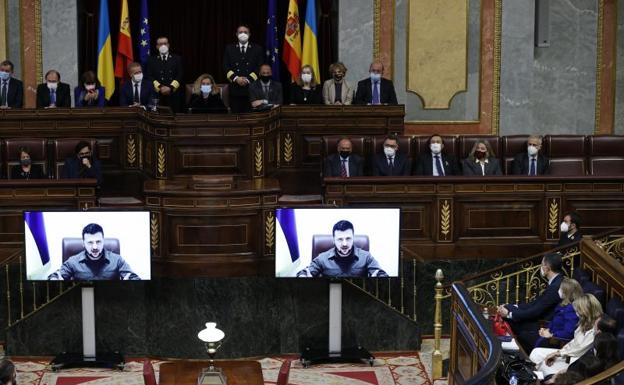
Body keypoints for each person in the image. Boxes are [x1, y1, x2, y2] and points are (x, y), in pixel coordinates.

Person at [497, 253, 564, 351]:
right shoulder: (557, 281)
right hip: (540, 318)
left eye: (542, 265)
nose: (541, 267)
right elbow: (535, 303)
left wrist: (509, 314)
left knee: (510, 317)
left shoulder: (555, 287)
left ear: (547, 268)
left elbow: (535, 311)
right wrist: (513, 306)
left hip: (542, 324)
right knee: (509, 308)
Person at [529, 293, 603, 379]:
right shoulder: (584, 321)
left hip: (576, 361)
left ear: (586, 310)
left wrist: (558, 354)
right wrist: (559, 352)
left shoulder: (597, 328)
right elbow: (574, 341)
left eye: (579, 310)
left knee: (544, 368)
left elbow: (579, 348)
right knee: (536, 353)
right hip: (567, 353)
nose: (577, 312)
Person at [296, 220, 388, 278]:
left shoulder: (366, 256)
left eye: (348, 238)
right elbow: (304, 272)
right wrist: (303, 276)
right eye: (340, 239)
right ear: (333, 240)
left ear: (353, 238)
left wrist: (380, 278)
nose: (344, 244)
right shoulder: (322, 258)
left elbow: (380, 273)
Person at [48, 223, 140, 280]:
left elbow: (133, 277)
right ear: (83, 243)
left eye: (98, 242)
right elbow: (54, 276)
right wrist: (54, 280)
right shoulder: (73, 261)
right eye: (90, 242)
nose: (95, 247)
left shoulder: (117, 260)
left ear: (103, 241)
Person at [531, 278, 583, 348]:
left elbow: (568, 333)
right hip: (551, 336)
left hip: (556, 342)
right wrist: (546, 329)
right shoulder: (564, 304)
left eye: (561, 289)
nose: (559, 291)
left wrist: (551, 335)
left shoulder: (572, 309)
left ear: (566, 292)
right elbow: (555, 322)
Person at [223, 25, 264, 113]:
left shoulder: (257, 49)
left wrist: (248, 79)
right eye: (240, 32)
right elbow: (226, 67)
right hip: (235, 89)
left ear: (249, 34)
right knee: (236, 119)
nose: (243, 34)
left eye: (245, 32)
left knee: (251, 119)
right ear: (236, 34)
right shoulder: (229, 48)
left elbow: (259, 67)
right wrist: (236, 78)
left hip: (252, 89)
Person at [147, 36, 184, 112]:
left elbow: (180, 75)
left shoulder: (177, 59)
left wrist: (170, 87)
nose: (163, 46)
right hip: (158, 95)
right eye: (160, 44)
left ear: (168, 45)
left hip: (173, 94)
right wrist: (160, 87)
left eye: (165, 43)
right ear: (157, 47)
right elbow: (149, 76)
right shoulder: (151, 60)